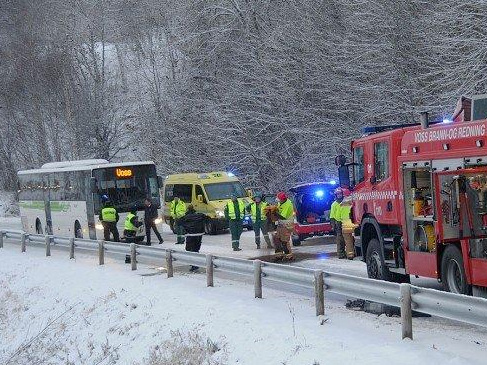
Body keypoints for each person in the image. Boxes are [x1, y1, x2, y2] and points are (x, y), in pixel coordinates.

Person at [179, 205, 207, 271]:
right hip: (199, 235)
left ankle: (194, 265)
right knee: (196, 249)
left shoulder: (185, 217)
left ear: (187, 210)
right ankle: (195, 263)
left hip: (190, 235)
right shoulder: (200, 215)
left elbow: (179, 222)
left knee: (189, 249)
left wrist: (186, 227)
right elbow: (206, 218)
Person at [274, 191, 295, 259]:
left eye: (279, 199)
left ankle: (288, 256)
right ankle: (279, 255)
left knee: (284, 240)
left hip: (287, 223)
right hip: (281, 223)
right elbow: (278, 210)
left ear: (283, 199)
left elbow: (283, 216)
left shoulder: (288, 204)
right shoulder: (281, 202)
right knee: (277, 238)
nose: (278, 201)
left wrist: (274, 213)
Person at [339, 194, 356, 260]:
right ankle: (357, 253)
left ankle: (350, 255)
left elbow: (338, 216)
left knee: (348, 241)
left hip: (345, 225)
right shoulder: (353, 202)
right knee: (355, 239)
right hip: (354, 224)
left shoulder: (341, 205)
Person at [333, 188, 347, 259]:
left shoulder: (346, 202)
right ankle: (341, 254)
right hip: (338, 223)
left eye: (340, 194)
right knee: (340, 239)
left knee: (348, 238)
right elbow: (332, 215)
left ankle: (349, 252)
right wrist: (333, 225)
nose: (339, 195)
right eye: (338, 194)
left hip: (347, 221)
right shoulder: (334, 204)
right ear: (336, 195)